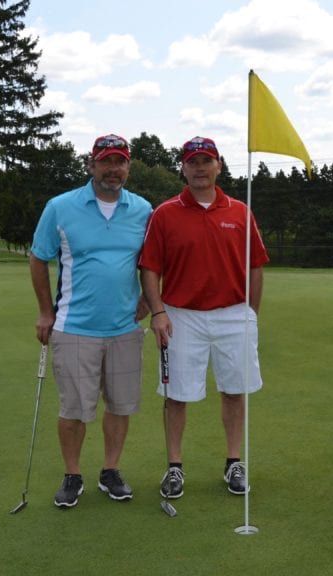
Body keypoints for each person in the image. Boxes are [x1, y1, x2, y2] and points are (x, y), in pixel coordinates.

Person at [139, 136, 269, 500]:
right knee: (176, 395)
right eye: (192, 162)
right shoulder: (165, 213)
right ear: (183, 167)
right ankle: (175, 467)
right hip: (180, 316)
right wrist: (158, 312)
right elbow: (149, 269)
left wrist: (249, 313)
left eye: (206, 161)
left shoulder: (240, 211)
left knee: (234, 390)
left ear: (219, 166)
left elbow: (256, 266)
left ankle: (233, 462)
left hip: (233, 315)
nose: (199, 168)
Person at [29, 134, 153, 508]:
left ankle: (110, 470)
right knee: (74, 410)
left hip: (125, 329)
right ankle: (72, 474)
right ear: (91, 165)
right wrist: (46, 311)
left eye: (120, 162)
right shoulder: (60, 206)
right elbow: (39, 258)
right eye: (105, 161)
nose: (112, 169)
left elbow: (152, 262)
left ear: (128, 167)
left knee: (119, 406)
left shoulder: (144, 209)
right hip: (74, 327)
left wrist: (149, 298)